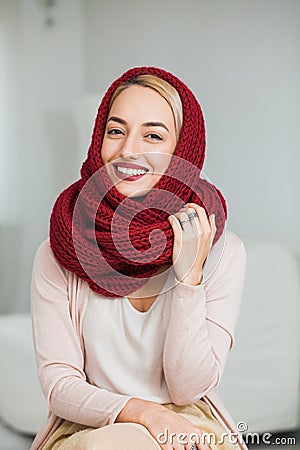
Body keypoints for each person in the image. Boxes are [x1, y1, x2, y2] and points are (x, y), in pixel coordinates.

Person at [30, 67, 247, 450]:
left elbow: (188, 388)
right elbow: (60, 385)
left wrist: (188, 279)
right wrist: (146, 413)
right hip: (90, 426)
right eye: (116, 131)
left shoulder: (223, 252)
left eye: (153, 135)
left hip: (189, 423)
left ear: (183, 150)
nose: (129, 150)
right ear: (99, 139)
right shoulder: (59, 249)